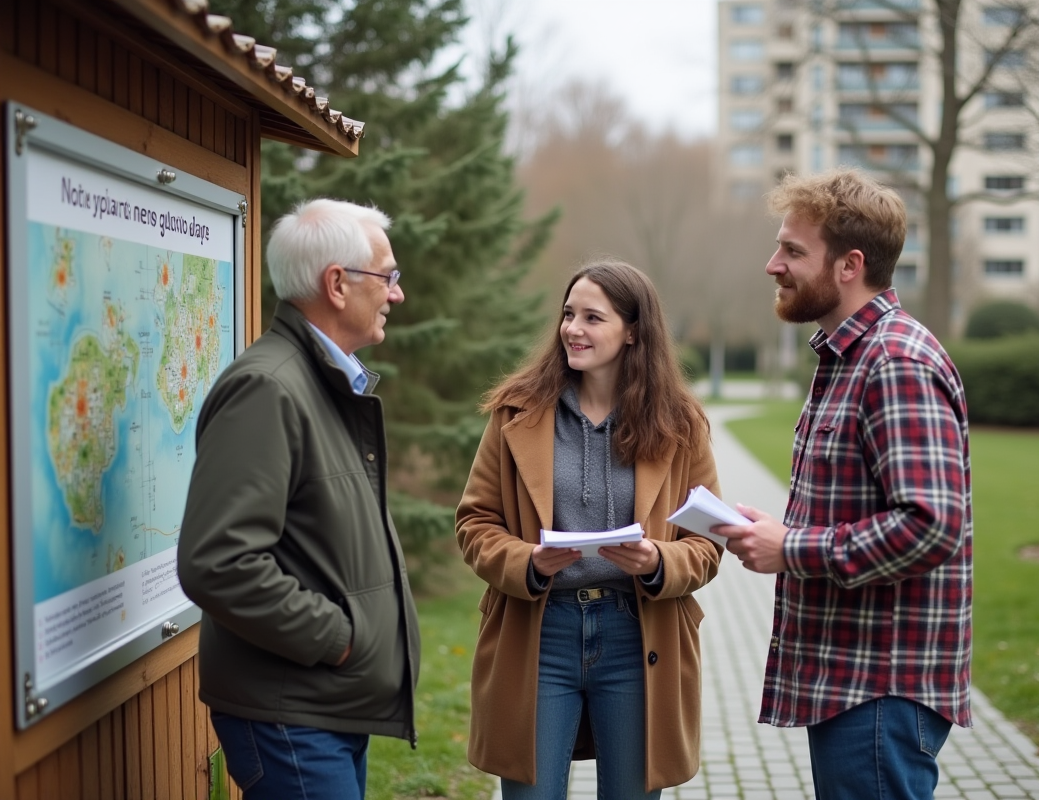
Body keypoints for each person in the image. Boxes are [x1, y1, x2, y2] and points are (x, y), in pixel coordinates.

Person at [713, 169, 973, 800]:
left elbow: (930, 523)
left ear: (850, 264)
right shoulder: (848, 357)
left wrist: (791, 549)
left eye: (793, 251)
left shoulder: (895, 363)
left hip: (880, 689)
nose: (773, 265)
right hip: (853, 681)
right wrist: (773, 532)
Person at [178, 198, 420, 800]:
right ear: (337, 284)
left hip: (322, 706)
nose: (397, 294)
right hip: (290, 713)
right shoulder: (268, 389)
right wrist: (338, 639)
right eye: (387, 277)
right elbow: (218, 563)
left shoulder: (323, 383)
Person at [456, 260, 722, 799]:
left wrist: (658, 563)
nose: (573, 329)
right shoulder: (516, 412)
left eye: (592, 318)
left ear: (633, 333)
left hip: (637, 635)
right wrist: (525, 563)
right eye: (568, 314)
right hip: (539, 631)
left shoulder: (680, 422)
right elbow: (475, 522)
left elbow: (709, 541)